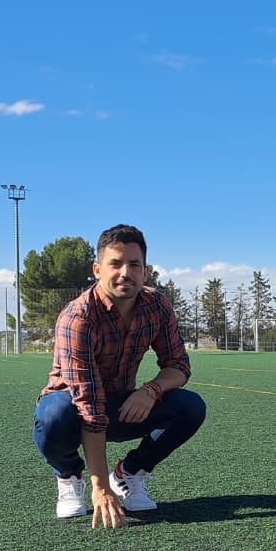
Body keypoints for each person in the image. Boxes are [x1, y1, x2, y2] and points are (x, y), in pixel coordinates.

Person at [33, 224, 206, 529]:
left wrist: (150, 390)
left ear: (146, 271)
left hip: (121, 405)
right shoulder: (78, 318)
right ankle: (70, 477)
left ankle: (129, 472)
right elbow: (87, 402)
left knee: (190, 407)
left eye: (134, 264)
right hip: (73, 409)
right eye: (115, 264)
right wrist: (100, 487)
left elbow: (179, 365)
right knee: (53, 415)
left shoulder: (156, 305)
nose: (125, 272)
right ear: (97, 269)